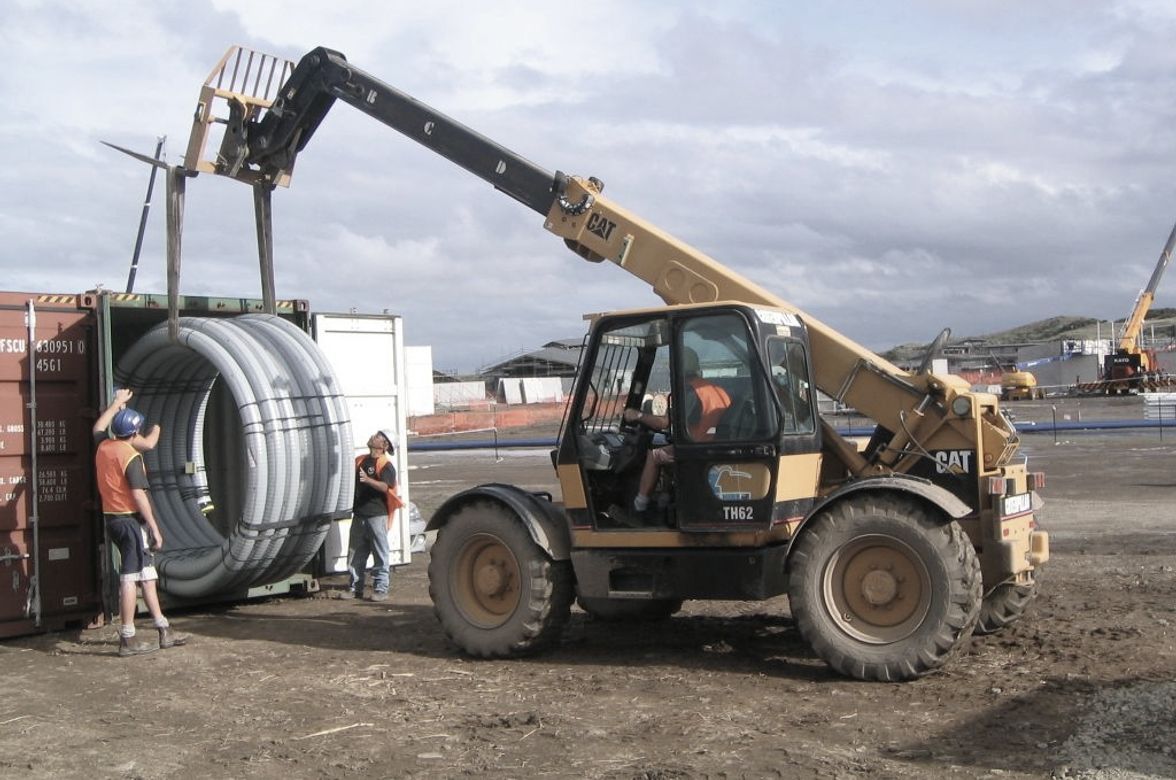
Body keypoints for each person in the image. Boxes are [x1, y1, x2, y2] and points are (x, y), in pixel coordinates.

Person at [93, 388, 187, 657]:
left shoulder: (104, 447)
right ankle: (127, 637)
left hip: (113, 519)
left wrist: (115, 404)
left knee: (146, 575)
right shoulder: (130, 457)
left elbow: (98, 427)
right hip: (130, 522)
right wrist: (154, 527)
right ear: (134, 433)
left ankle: (163, 629)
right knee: (130, 578)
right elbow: (139, 495)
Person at [619, 347, 731, 521]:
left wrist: (638, 415)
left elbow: (664, 422)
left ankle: (639, 508)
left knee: (655, 455)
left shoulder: (690, 392)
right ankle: (664, 501)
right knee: (668, 453)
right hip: (711, 443)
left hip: (695, 448)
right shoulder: (715, 389)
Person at [343, 430, 403, 601]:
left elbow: (386, 487)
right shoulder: (361, 460)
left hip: (377, 515)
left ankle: (381, 589)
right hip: (360, 515)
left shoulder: (385, 465)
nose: (373, 437)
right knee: (355, 554)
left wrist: (368, 480)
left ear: (384, 445)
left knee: (380, 553)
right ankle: (355, 588)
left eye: (378, 436)